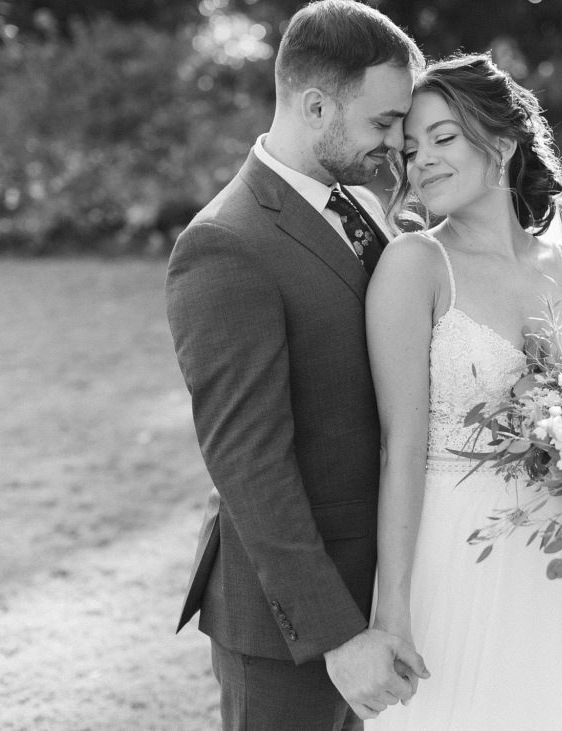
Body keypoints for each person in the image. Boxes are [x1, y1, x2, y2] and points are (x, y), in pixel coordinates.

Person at [364, 54, 562, 729]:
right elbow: (400, 447)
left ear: (500, 144)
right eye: (410, 149)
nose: (421, 162)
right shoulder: (415, 266)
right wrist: (394, 608)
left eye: (443, 138)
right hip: (463, 555)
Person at [165, 2, 428, 728]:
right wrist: (336, 636)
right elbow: (249, 464)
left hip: (380, 586)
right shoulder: (225, 245)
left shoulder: (366, 207)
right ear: (316, 105)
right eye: (382, 123)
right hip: (291, 629)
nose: (395, 143)